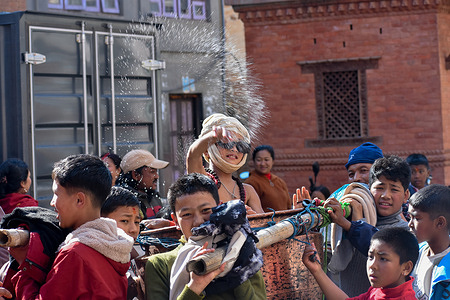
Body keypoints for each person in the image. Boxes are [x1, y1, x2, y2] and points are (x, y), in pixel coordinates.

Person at [4, 154, 134, 299]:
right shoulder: (114, 243)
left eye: (56, 194)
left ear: (79, 200)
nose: (52, 203)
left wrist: (25, 266)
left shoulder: (74, 253)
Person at [145, 173, 266, 300]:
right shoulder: (160, 264)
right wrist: (194, 286)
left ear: (220, 209)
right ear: (175, 220)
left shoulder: (240, 249)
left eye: (205, 211)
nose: (198, 221)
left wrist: (237, 272)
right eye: (187, 214)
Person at [324, 155, 411, 297]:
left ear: (406, 195)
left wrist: (347, 224)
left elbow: (378, 242)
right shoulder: (354, 217)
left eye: (394, 189)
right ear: (369, 190)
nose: (385, 195)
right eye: (380, 188)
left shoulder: (405, 232)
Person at [302, 227, 419, 300]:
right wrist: (317, 270)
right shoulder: (380, 290)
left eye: (383, 259)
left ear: (406, 268)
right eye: (370, 256)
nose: (372, 265)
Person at [186, 113, 263, 214]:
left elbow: (265, 225)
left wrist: (253, 219)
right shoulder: (201, 180)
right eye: (226, 143)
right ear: (206, 151)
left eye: (240, 145)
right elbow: (193, 155)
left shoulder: (248, 191)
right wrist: (213, 136)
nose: (234, 149)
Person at [102, 186, 144, 300]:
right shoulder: (93, 259)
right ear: (101, 220)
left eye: (137, 222)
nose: (134, 229)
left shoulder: (134, 256)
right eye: (125, 221)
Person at [117, 149, 172, 227]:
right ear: (136, 175)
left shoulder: (154, 196)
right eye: (152, 172)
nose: (157, 176)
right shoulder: (125, 202)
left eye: (156, 172)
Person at [244, 145, 291, 212]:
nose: (263, 163)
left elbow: (289, 206)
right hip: (267, 222)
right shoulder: (250, 183)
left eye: (266, 160)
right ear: (253, 161)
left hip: (285, 221)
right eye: (259, 160)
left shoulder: (279, 181)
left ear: (273, 161)